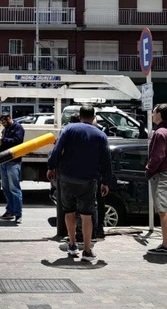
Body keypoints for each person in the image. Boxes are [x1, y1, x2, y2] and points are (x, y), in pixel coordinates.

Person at [47, 105, 111, 262]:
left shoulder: (69, 129)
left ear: (80, 115)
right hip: (88, 180)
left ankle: (73, 244)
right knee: (87, 214)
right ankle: (87, 250)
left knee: (68, 211)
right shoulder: (101, 135)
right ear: (94, 116)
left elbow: (57, 149)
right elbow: (106, 160)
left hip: (67, 177)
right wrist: (106, 181)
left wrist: (51, 166)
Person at [146, 103, 167, 255]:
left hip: (162, 175)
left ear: (159, 114)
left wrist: (149, 170)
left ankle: (166, 245)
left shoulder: (160, 133)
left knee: (163, 211)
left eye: (154, 112)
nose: (152, 115)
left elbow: (157, 156)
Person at [0, 113, 25, 223]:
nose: (2, 124)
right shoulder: (5, 129)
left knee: (14, 188)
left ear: (9, 119)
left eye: (4, 121)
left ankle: (18, 213)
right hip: (4, 161)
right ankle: (10, 211)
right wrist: (0, 142)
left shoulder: (18, 128)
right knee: (6, 188)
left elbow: (18, 142)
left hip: (13, 162)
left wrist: (3, 140)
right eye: (1, 122)